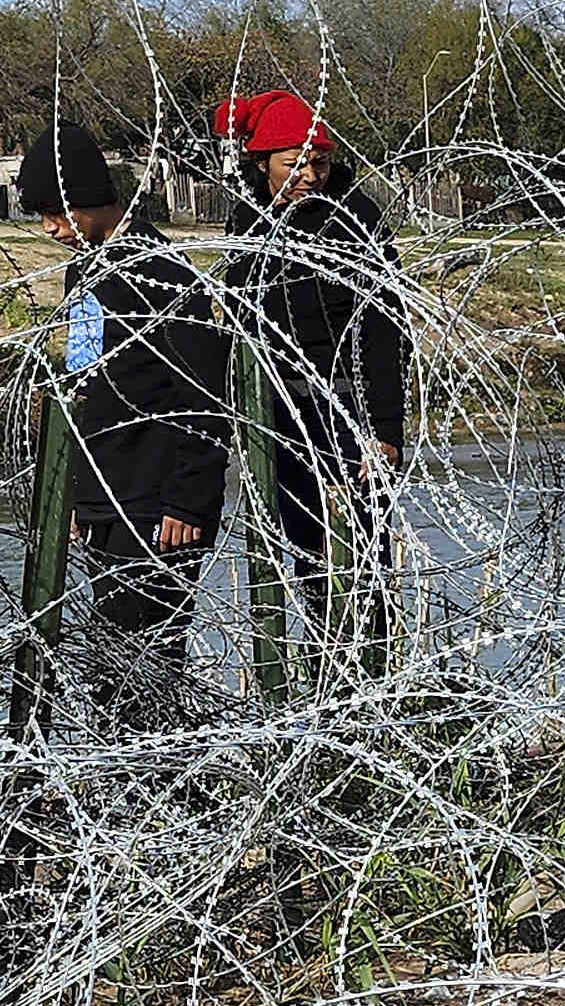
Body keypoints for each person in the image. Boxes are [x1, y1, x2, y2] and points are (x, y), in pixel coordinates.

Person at [22, 119, 230, 727]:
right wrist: (77, 501)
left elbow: (204, 396)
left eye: (57, 212)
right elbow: (87, 392)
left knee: (149, 668)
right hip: (105, 500)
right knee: (112, 667)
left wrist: (189, 503)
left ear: (88, 197)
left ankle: (163, 800)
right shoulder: (86, 273)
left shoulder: (161, 276)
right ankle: (132, 796)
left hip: (157, 507)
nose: (51, 229)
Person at [218, 90, 403, 641]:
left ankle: (369, 674)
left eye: (319, 162)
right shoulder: (248, 219)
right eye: (293, 163)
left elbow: (383, 328)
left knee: (360, 560)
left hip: (346, 408)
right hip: (275, 410)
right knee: (305, 553)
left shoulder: (355, 219)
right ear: (262, 163)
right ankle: (329, 672)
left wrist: (384, 431)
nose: (310, 175)